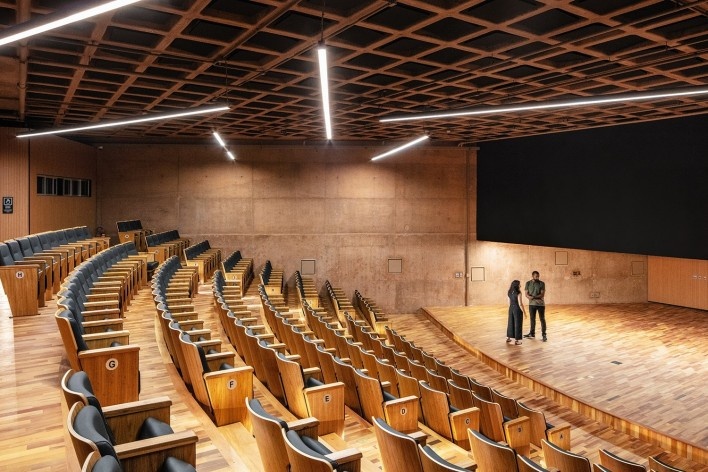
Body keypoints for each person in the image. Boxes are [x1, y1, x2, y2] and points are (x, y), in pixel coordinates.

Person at [524, 271, 547, 341]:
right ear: (532, 276)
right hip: (531, 304)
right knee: (532, 319)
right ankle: (532, 333)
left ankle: (544, 334)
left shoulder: (542, 283)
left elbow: (542, 295)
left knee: (542, 319)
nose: (537, 277)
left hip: (540, 304)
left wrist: (533, 297)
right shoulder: (528, 283)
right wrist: (528, 296)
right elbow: (526, 294)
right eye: (536, 276)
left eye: (538, 276)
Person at [506, 280, 526, 345]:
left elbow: (508, 303)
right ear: (517, 285)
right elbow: (520, 304)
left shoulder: (509, 292)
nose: (520, 285)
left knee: (510, 323)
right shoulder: (519, 293)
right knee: (518, 324)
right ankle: (517, 340)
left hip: (511, 308)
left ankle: (508, 338)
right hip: (517, 309)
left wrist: (511, 309)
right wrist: (524, 313)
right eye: (519, 284)